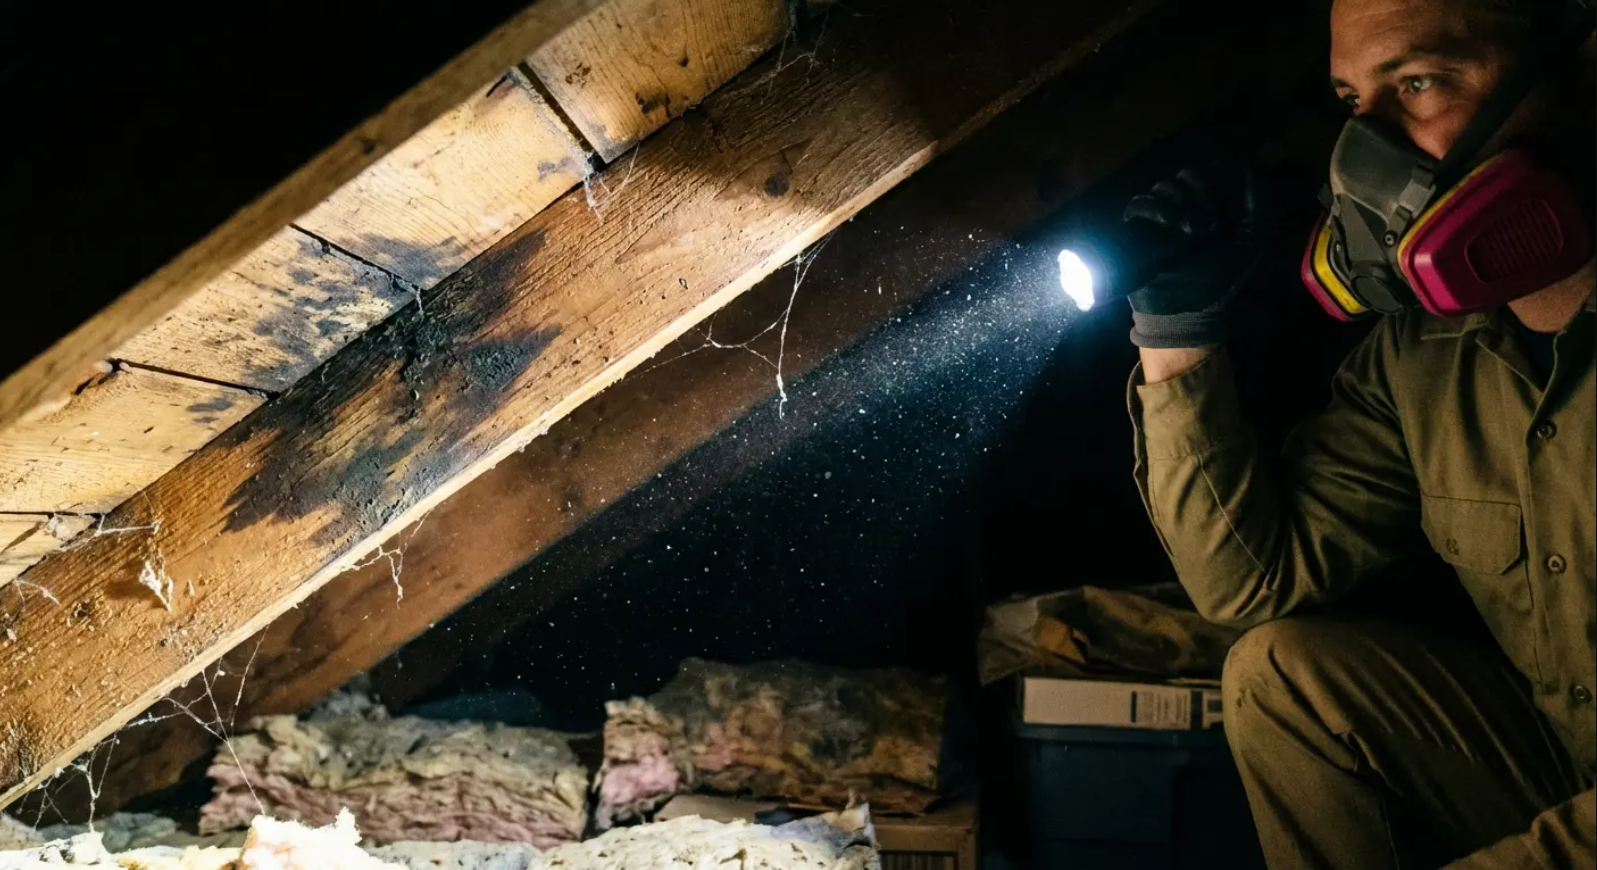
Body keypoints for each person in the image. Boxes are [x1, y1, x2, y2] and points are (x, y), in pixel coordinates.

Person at [1120, 0, 1595, 866]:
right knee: (1281, 677)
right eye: (1350, 102)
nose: (1360, 154)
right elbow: (1249, 582)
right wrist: (1175, 328)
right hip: (1569, 772)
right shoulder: (1423, 355)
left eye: (1417, 82)